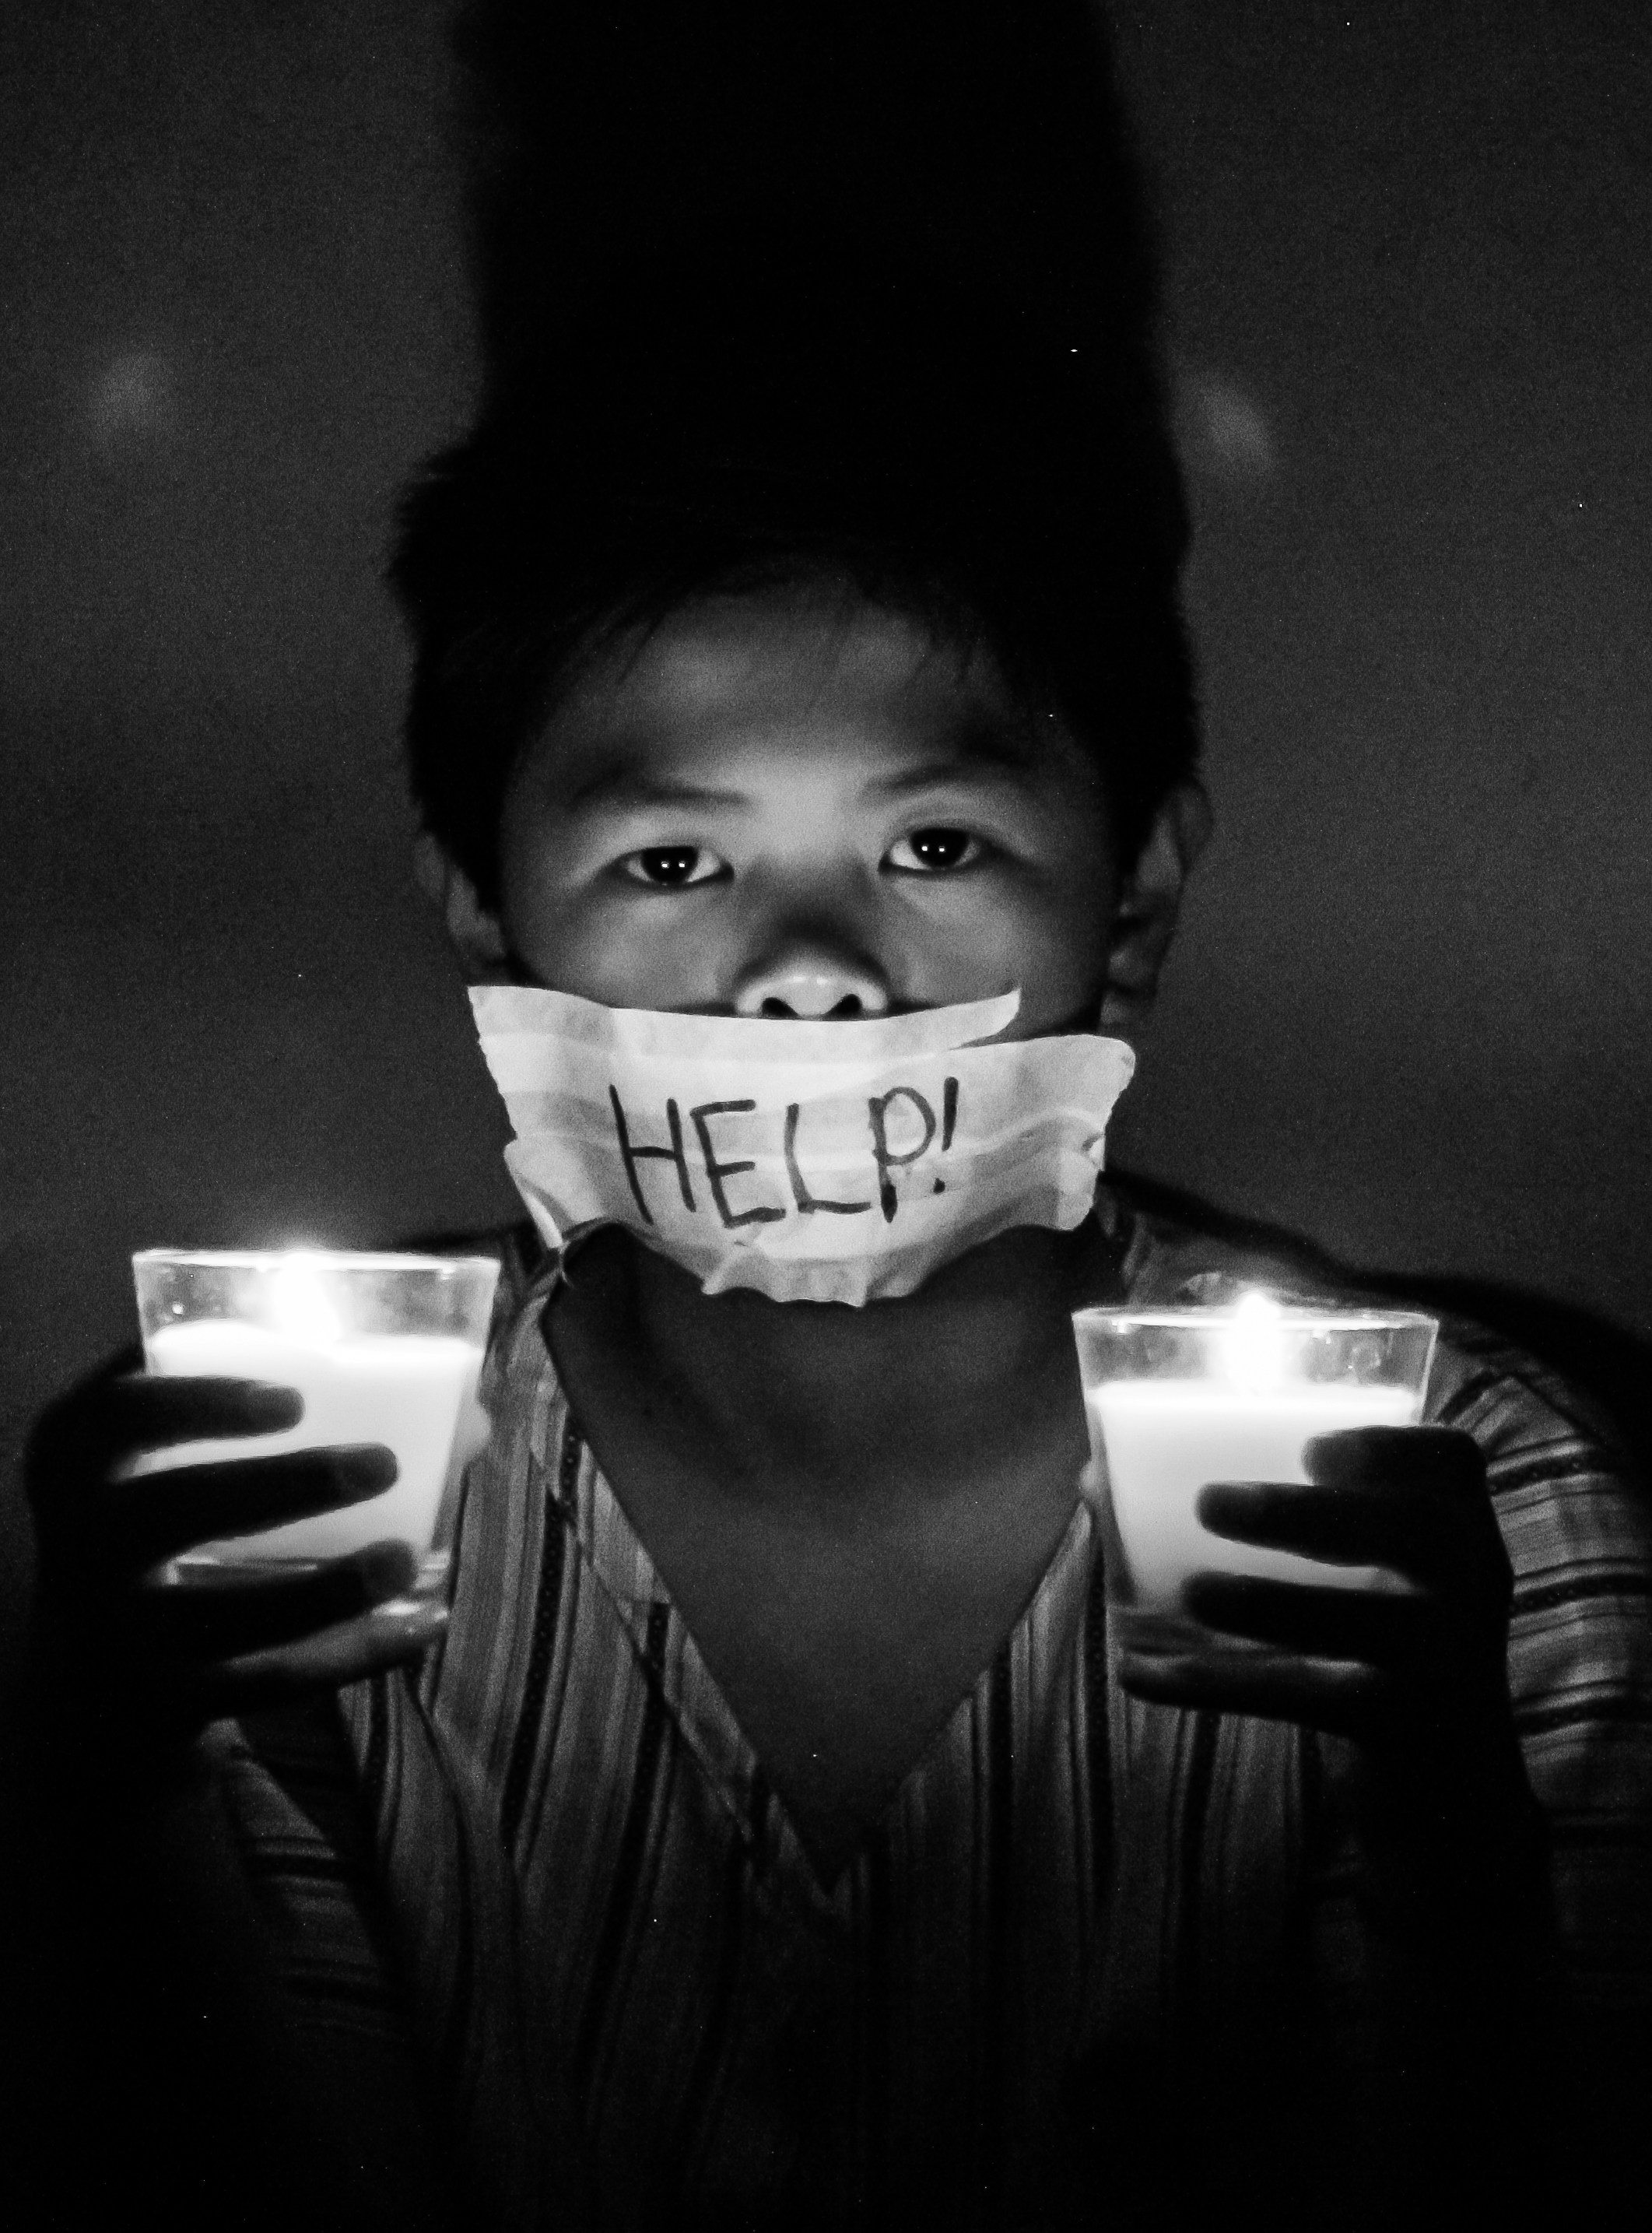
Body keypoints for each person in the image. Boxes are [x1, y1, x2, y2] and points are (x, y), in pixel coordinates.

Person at [18, 6, 1652, 2230]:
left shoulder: (1473, 1500)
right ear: (484, 916)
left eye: (934, 846)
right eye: (674, 863)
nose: (808, 971)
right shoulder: (264, 1498)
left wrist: (1443, 1841)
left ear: (1136, 900)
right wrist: (89, 1786)